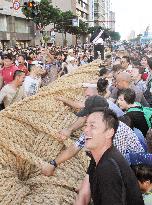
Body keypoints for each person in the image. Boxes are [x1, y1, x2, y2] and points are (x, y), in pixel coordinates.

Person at [74, 108, 144, 205]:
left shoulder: (109, 168)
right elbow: (85, 193)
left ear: (109, 133)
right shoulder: (98, 157)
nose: (85, 130)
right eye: (86, 125)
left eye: (92, 126)